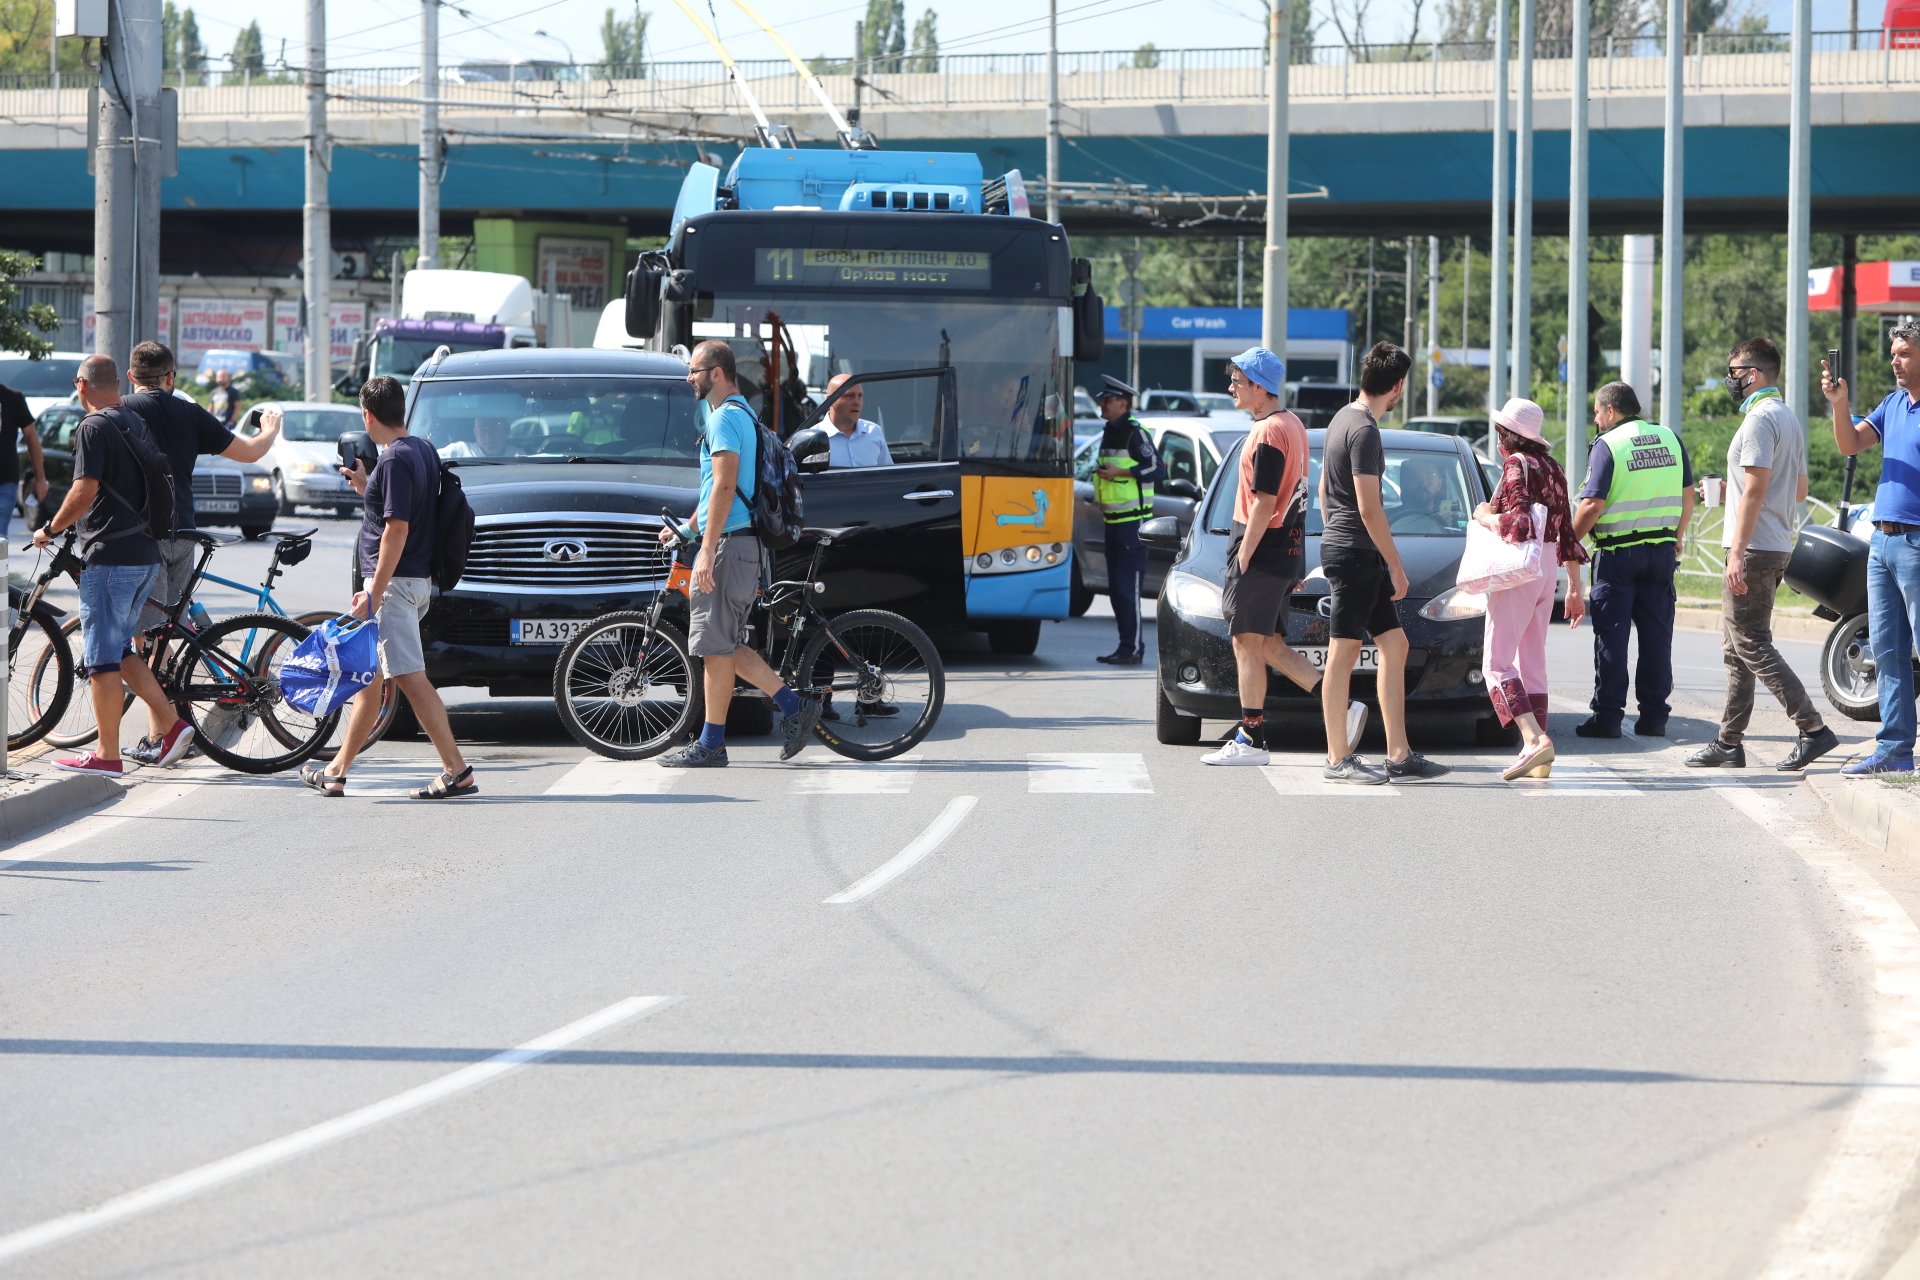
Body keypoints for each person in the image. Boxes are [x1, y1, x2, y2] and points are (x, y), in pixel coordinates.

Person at [303, 376, 476, 799]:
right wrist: (368, 487)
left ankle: (457, 770)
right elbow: (400, 511)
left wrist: (374, 594)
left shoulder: (396, 459)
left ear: (368, 415)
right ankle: (337, 771)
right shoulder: (419, 450)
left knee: (411, 678)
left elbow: (397, 529)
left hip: (394, 586)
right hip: (409, 581)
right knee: (371, 682)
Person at [655, 340, 821, 768]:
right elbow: (718, 489)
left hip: (729, 547)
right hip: (739, 543)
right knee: (723, 644)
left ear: (716, 373)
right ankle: (792, 705)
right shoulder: (741, 414)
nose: (688, 378)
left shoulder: (725, 418)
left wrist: (705, 551)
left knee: (714, 647)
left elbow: (727, 487)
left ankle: (712, 744)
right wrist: (687, 530)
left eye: (694, 370)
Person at [120, 341, 285, 765]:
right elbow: (249, 452)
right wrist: (270, 427)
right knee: (163, 632)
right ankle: (168, 732)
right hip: (184, 533)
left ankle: (165, 735)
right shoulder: (188, 411)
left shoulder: (123, 411)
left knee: (148, 636)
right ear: (171, 377)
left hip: (145, 534)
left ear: (131, 376)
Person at [1201, 347, 1368, 765]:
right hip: (1286, 544)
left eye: (1238, 382)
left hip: (1260, 545)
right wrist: (1292, 558)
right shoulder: (1291, 424)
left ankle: (1251, 738)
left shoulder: (1267, 432)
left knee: (1244, 642)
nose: (1231, 388)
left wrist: (1244, 556)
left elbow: (1264, 501)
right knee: (1271, 645)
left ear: (1260, 387)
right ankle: (1343, 707)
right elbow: (1296, 498)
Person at [35, 355, 195, 777]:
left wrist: (50, 528)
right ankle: (173, 724)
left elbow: (84, 490)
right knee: (122, 651)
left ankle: (107, 754)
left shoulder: (93, 426)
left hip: (111, 559)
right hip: (145, 554)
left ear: (80, 385)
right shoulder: (132, 420)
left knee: (102, 660)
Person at [1688, 339, 1838, 771]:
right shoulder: (1787, 417)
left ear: (1752, 373)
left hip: (1752, 550)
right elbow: (1798, 489)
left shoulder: (1758, 420)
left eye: (1734, 371)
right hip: (1774, 544)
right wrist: (1727, 493)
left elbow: (1755, 487)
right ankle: (1728, 742)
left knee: (1752, 644)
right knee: (1736, 648)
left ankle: (1812, 728)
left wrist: (1736, 553)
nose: (1730, 379)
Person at [1317, 342, 1450, 783]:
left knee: (1395, 645)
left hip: (1351, 546)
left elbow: (1322, 492)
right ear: (1395, 387)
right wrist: (1395, 564)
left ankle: (1399, 754)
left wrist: (1335, 531)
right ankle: (1338, 758)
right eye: (1402, 388)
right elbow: (1370, 507)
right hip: (1357, 552)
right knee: (1344, 652)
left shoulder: (1341, 418)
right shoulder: (1365, 430)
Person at [1569, 381, 1694, 738]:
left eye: (1596, 412)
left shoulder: (1608, 445)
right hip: (1661, 555)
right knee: (1657, 640)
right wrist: (1678, 536)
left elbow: (1592, 504)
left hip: (1618, 556)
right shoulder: (1669, 437)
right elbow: (1688, 493)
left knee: (1612, 637)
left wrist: (1566, 541)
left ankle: (1607, 717)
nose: (1595, 419)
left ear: (1611, 410)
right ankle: (1654, 718)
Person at [1473, 398, 1587, 781]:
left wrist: (1486, 517)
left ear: (1507, 434)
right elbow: (1567, 531)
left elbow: (1518, 523)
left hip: (1520, 568)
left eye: (1499, 432)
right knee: (1532, 663)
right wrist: (1574, 586)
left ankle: (1533, 739)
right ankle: (1540, 755)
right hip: (1548, 568)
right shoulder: (1554, 467)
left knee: (1496, 663)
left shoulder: (1514, 465)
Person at [1825, 324, 1920, 776]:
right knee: (1887, 649)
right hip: (1881, 541)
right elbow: (1850, 443)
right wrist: (1839, 405)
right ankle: (1895, 752)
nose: (1895, 361)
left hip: (1918, 543)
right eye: (1892, 353)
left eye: (1904, 353)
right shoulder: (1893, 404)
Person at [1091, 375, 1166, 665]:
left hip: (1132, 524)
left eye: (1107, 400)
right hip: (1113, 522)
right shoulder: (1109, 431)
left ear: (1122, 403)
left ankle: (1133, 649)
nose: (1102, 404)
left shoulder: (1136, 433)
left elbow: (1157, 470)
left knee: (1127, 589)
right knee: (1116, 590)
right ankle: (1125, 647)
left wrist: (1120, 474)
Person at [0, 371, 52, 526]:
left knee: (0, 538)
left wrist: (40, 478)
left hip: (5, 481)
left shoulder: (12, 397)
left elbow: (31, 436)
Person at [821, 374, 894, 468]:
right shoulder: (813, 439)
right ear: (830, 401)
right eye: (849, 396)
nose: (857, 402)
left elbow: (888, 477)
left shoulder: (874, 432)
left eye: (860, 396)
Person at [441, 416, 522, 459]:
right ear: (475, 434)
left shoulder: (519, 457)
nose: (488, 437)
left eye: (493, 430)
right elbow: (429, 459)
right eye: (482, 431)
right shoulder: (458, 451)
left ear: (506, 431)